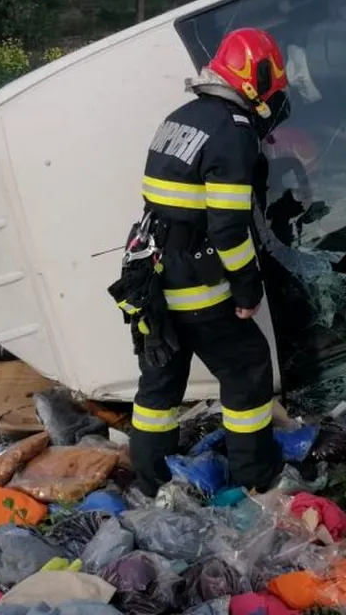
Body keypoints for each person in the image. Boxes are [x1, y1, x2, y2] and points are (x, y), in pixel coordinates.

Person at [123, 27, 292, 496]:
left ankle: (151, 482)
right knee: (247, 366)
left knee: (160, 382)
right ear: (257, 78)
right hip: (195, 281)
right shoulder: (233, 134)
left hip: (149, 273)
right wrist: (246, 288)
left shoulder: (181, 117)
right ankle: (255, 478)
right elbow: (228, 229)